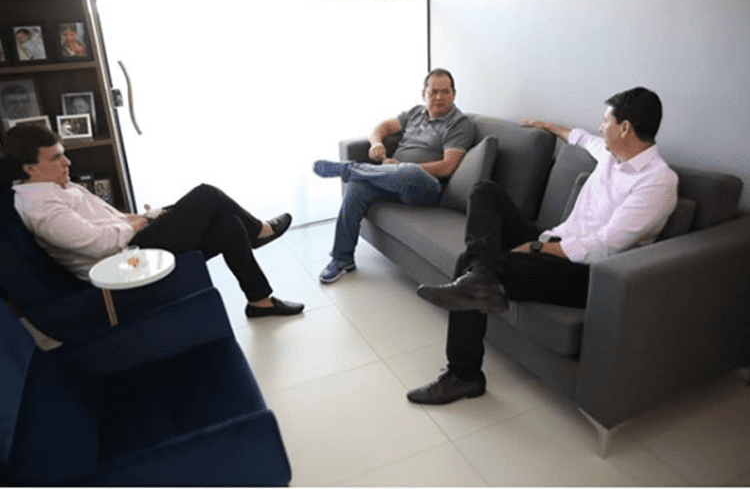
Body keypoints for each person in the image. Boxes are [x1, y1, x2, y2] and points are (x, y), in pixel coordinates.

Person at [408, 87, 678, 405]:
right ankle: (481, 277)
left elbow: (603, 247)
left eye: (606, 121)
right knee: (484, 191)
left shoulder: (657, 181)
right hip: (552, 241)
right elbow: (579, 137)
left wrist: (534, 249)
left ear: (625, 128)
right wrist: (546, 126)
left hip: (586, 274)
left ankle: (464, 376)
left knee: (470, 260)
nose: (600, 127)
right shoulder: (611, 153)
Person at [3, 125, 304, 318]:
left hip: (129, 248)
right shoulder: (42, 208)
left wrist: (145, 217)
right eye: (55, 158)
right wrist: (143, 222)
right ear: (30, 168)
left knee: (228, 224)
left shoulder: (58, 187)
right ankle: (260, 231)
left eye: (63, 155)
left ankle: (259, 301)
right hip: (125, 265)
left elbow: (109, 222)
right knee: (206, 194)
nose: (67, 162)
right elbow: (98, 244)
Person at [313, 68, 475, 283]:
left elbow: (447, 167)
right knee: (358, 187)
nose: (439, 97)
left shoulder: (459, 124)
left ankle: (349, 170)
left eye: (445, 92)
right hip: (393, 179)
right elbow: (383, 127)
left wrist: (401, 165)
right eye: (434, 92)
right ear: (424, 94)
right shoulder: (415, 113)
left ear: (454, 94)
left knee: (409, 171)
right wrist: (376, 143)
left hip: (426, 188)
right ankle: (342, 259)